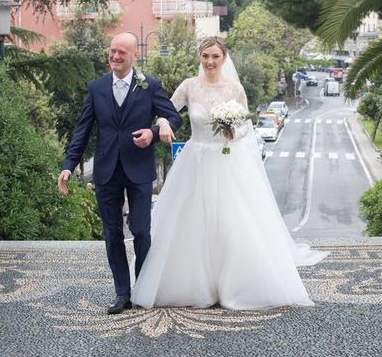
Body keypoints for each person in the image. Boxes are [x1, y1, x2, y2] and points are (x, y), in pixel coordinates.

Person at [131, 36, 328, 310]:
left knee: (230, 223)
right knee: (190, 222)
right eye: (205, 56)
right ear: (199, 57)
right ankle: (193, 286)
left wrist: (234, 131)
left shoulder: (234, 89)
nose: (210, 61)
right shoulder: (189, 86)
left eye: (215, 56)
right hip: (196, 159)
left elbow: (247, 125)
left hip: (227, 160)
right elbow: (165, 110)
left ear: (224, 58)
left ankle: (234, 285)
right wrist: (162, 124)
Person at [57, 32, 181, 315]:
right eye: (112, 51)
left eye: (121, 53)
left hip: (138, 169)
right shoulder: (96, 88)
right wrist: (67, 165)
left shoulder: (150, 86)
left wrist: (153, 131)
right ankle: (122, 293)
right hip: (106, 170)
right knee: (112, 233)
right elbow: (82, 130)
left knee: (140, 230)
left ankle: (143, 288)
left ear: (134, 55)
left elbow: (175, 118)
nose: (114, 57)